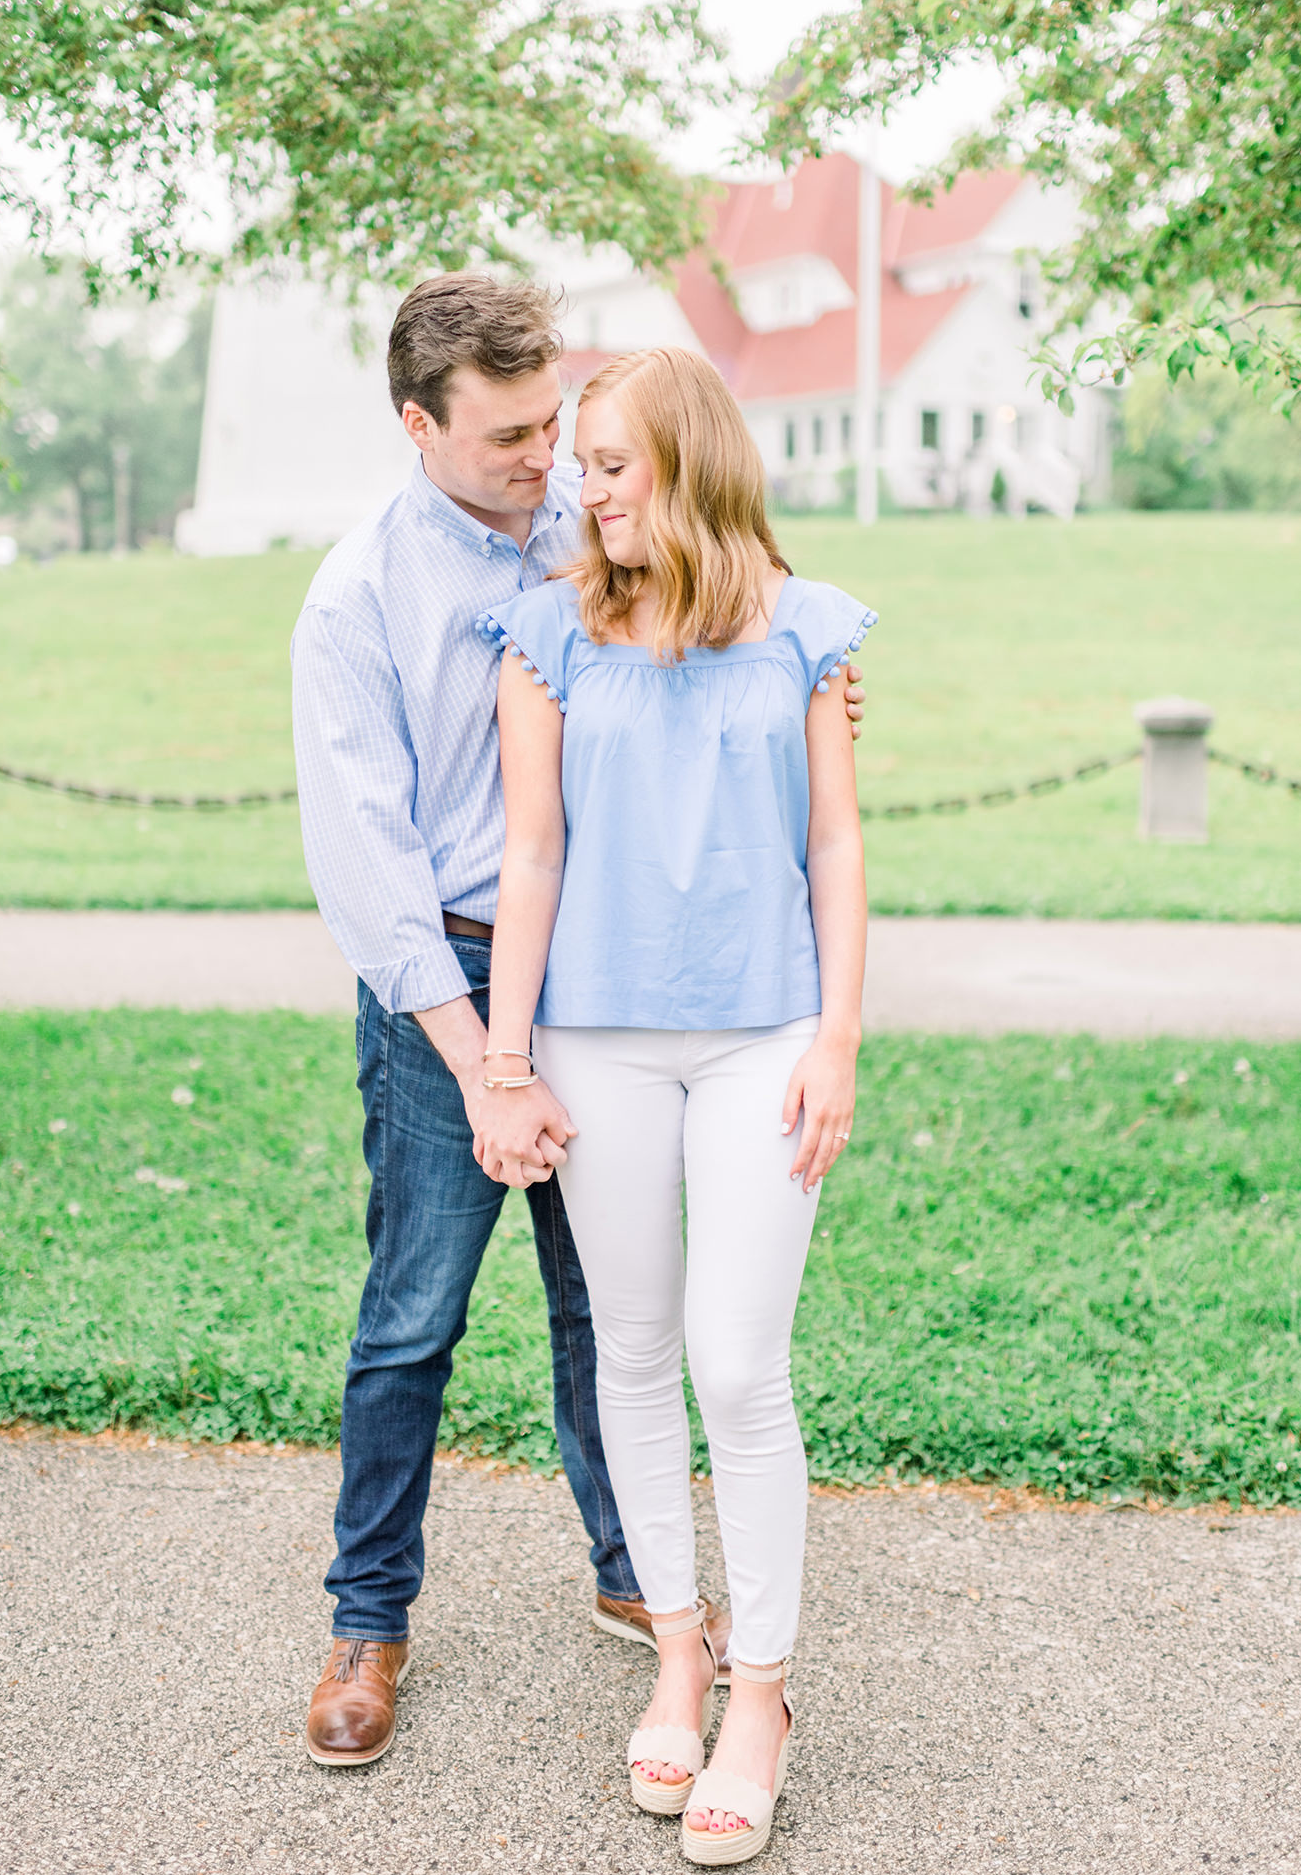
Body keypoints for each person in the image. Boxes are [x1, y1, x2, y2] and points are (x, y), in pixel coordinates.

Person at [290, 277, 868, 1768]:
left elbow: (712, 580)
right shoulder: (359, 594)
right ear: (417, 426)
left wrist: (801, 687)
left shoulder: (583, 515)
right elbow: (371, 873)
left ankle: (639, 1578)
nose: (545, 459)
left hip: (609, 977)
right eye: (507, 437)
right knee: (415, 1315)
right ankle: (368, 1618)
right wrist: (481, 1058)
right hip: (455, 977)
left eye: (556, 427)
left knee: (604, 1312)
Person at [476, 345, 873, 1862]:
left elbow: (834, 847)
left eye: (611, 465)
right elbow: (531, 857)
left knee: (733, 1361)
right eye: (580, 465)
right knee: (631, 1355)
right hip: (594, 1041)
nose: (587, 490)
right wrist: (507, 1063)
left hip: (763, 1031)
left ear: (689, 463)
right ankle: (680, 1655)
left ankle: (761, 1698)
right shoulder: (549, 634)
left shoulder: (811, 630)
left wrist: (835, 1038)